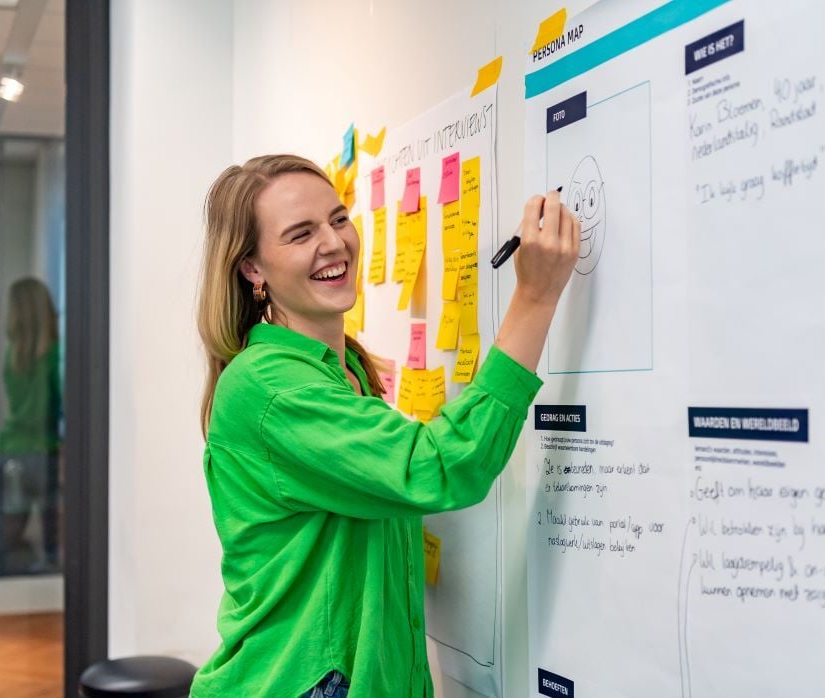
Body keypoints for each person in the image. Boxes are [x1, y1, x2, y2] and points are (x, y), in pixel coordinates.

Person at [192, 154, 578, 697]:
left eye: (339, 218)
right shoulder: (271, 387)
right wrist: (535, 297)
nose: (333, 243)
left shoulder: (344, 368)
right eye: (301, 234)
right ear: (252, 268)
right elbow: (439, 467)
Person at [0, 277, 61, 573]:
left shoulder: (11, 355)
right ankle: (46, 564)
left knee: (2, 537)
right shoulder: (54, 355)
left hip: (12, 450)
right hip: (44, 451)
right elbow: (61, 402)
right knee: (50, 533)